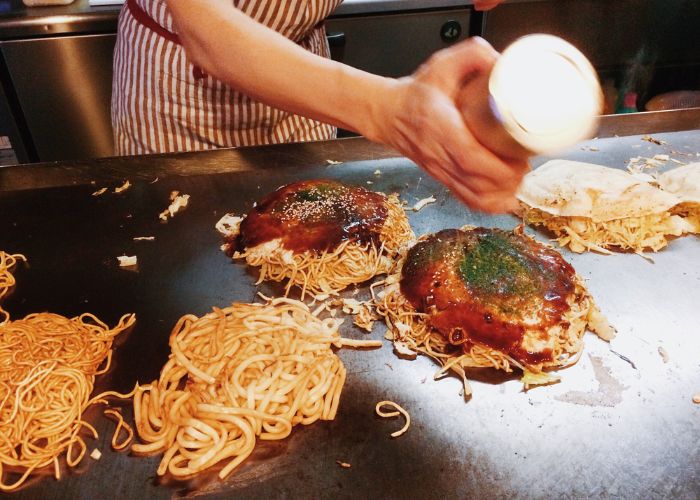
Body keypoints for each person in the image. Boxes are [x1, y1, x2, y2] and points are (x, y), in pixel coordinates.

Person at [112, 0, 527, 213]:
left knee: (312, 254)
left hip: (305, 74)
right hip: (181, 82)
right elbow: (209, 35)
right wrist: (387, 112)